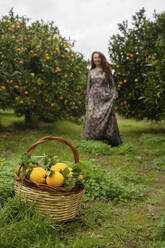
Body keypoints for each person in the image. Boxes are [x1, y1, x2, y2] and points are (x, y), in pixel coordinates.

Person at [82, 51, 122, 147]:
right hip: (93, 97)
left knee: (107, 117)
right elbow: (88, 86)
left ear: (102, 59)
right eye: (95, 58)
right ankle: (90, 140)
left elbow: (112, 85)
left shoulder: (107, 70)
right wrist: (87, 100)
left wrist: (114, 95)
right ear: (93, 60)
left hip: (105, 97)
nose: (97, 59)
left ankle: (108, 139)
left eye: (98, 57)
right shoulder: (90, 72)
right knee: (91, 116)